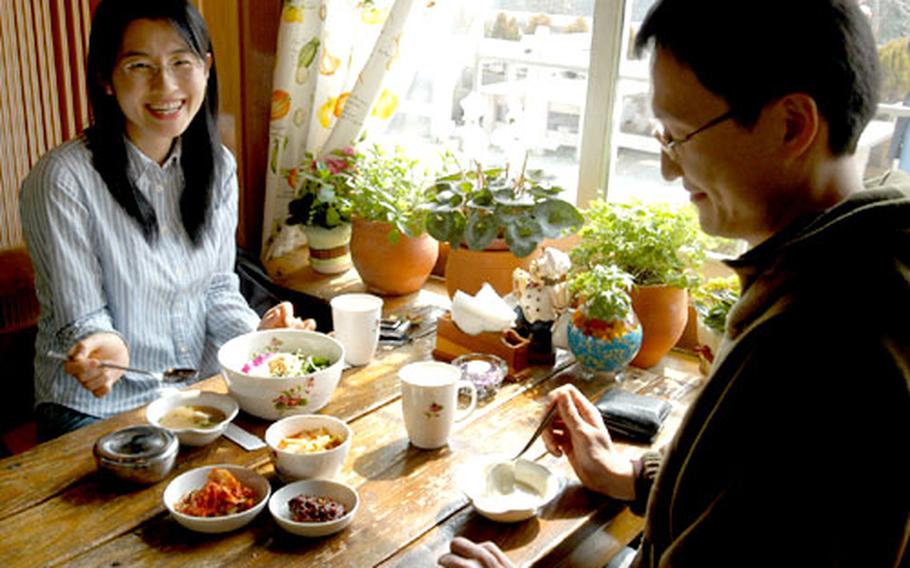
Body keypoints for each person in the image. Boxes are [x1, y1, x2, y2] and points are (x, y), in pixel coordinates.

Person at [439, 0, 910, 566]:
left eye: (679, 135)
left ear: (792, 125)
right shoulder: (834, 259)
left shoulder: (826, 340)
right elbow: (758, 491)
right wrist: (639, 474)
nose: (667, 166)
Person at [19, 0, 314, 442]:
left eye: (182, 61)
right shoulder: (63, 179)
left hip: (197, 395)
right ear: (105, 77)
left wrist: (259, 336)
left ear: (206, 68)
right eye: (140, 65)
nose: (166, 85)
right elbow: (81, 317)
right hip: (103, 406)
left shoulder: (217, 167)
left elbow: (217, 288)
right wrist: (104, 345)